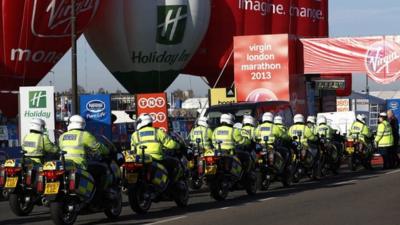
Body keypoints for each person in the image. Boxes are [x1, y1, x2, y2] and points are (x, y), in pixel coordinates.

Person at [130, 114, 181, 178]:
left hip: (141, 161)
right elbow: (171, 144)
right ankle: (170, 185)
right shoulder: (158, 132)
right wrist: (179, 145)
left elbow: (132, 151)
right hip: (157, 159)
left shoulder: (134, 135)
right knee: (174, 164)